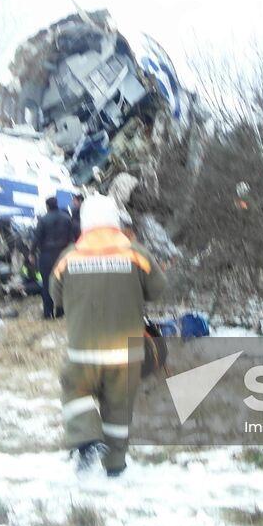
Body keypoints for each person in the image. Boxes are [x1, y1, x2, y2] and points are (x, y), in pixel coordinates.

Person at [50, 194, 164, 479]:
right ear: (116, 221)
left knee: (75, 390)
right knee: (118, 409)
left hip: (83, 352)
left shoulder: (68, 257)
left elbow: (55, 296)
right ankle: (115, 467)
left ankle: (88, 440)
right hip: (127, 354)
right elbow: (159, 290)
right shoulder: (137, 253)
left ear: (84, 223)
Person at [35, 196, 77, 319]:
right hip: (62, 254)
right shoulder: (67, 219)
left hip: (46, 255)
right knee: (62, 282)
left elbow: (37, 239)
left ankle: (48, 313)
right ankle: (60, 311)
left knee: (47, 283)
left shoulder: (43, 220)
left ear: (47, 206)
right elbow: (72, 239)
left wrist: (31, 254)